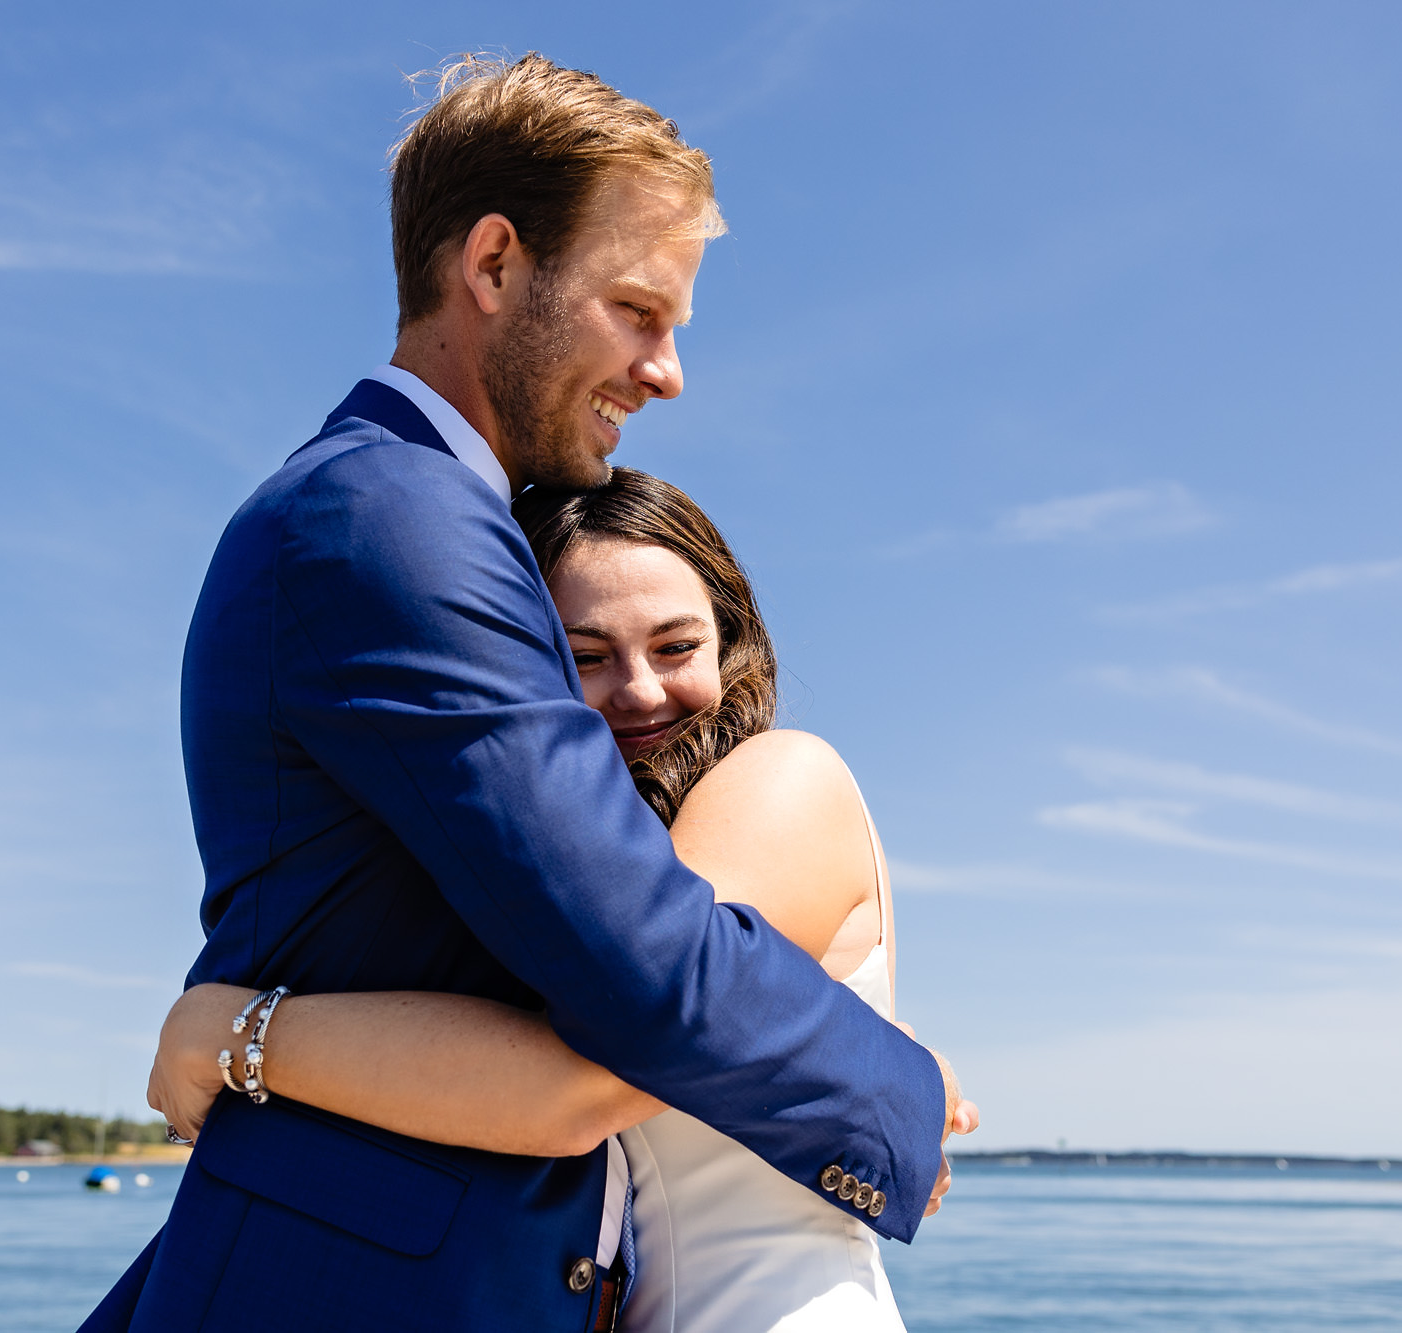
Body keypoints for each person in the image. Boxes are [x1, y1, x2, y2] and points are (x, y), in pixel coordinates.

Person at [81, 55, 971, 1333]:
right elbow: (640, 976)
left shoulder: (415, 520)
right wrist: (896, 1087)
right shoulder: (394, 517)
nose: (666, 373)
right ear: (493, 266)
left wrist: (235, 1030)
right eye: (635, 309)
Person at [150, 467, 964, 1331]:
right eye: (586, 657)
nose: (643, 690)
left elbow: (580, 1084)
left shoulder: (780, 782)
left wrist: (237, 1035)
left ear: (734, 643)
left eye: (678, 647)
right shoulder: (568, 884)